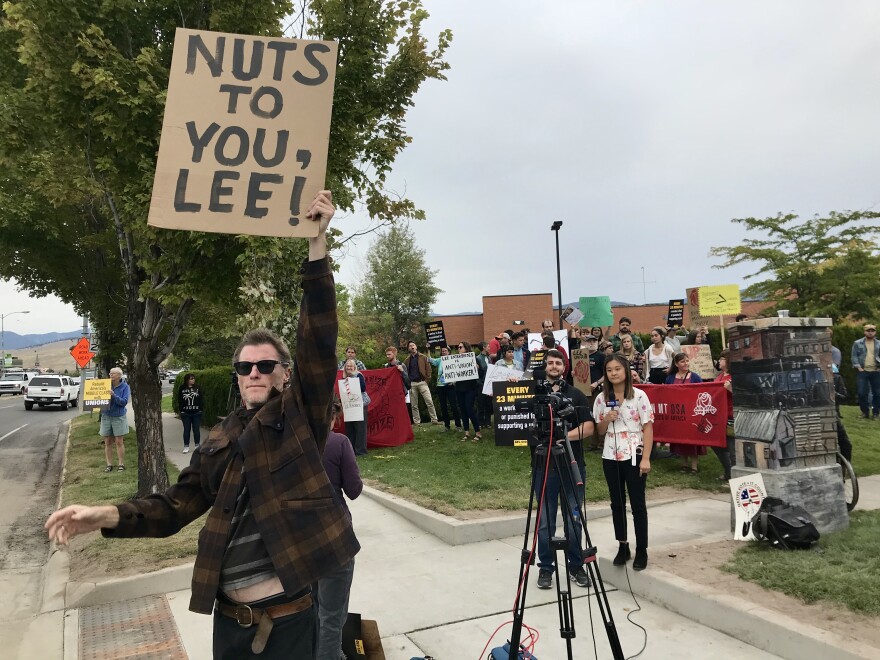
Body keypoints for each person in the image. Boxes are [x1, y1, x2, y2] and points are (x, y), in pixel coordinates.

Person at [46, 191, 359, 660]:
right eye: (244, 366)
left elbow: (318, 339)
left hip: (290, 623)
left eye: (266, 364)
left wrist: (317, 245)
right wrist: (105, 515)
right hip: (230, 625)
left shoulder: (300, 418)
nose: (254, 372)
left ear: (286, 374)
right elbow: (174, 506)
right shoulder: (221, 437)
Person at [530, 350, 595, 589]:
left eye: (558, 363)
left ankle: (576, 566)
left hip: (571, 465)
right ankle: (546, 568)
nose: (554, 366)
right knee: (545, 521)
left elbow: (588, 428)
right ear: (545, 366)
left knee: (573, 519)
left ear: (564, 367)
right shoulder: (535, 393)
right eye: (550, 363)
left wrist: (562, 437)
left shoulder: (576, 394)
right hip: (543, 466)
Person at [593, 354, 654, 571]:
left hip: (634, 453)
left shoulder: (639, 396)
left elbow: (648, 427)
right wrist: (606, 419)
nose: (614, 373)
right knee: (617, 503)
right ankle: (623, 544)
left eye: (617, 369)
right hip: (611, 454)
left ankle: (642, 550)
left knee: (637, 503)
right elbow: (598, 431)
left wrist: (646, 457)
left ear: (626, 370)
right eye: (609, 370)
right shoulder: (601, 398)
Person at [315, 399, 363, 660]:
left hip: (297, 539)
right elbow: (354, 490)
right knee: (332, 615)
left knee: (310, 608)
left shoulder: (291, 444)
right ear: (334, 418)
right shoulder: (339, 443)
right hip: (335, 537)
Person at [665, 353, 706, 474]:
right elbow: (666, 394)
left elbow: (701, 393)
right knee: (680, 438)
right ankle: (683, 464)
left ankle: (694, 466)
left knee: (693, 439)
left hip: (692, 413)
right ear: (676, 364)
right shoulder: (670, 378)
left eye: (687, 361)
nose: (686, 363)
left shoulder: (695, 377)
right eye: (683, 361)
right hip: (677, 413)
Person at [100, 367, 130, 472]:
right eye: (110, 373)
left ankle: (121, 464)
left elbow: (124, 402)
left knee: (118, 441)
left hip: (118, 416)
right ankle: (109, 464)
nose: (111, 375)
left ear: (119, 375)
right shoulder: (105, 384)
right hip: (106, 416)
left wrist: (114, 395)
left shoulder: (125, 387)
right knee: (107, 441)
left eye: (113, 373)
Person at [712, 350, 735, 481]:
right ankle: (728, 470)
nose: (719, 361)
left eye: (722, 359)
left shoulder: (735, 377)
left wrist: (731, 389)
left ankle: (734, 475)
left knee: (732, 447)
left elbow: (745, 397)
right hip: (718, 417)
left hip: (731, 417)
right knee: (716, 444)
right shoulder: (720, 376)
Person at [404, 340, 439, 425]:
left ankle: (434, 420)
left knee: (429, 401)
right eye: (410, 346)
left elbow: (429, 369)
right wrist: (408, 383)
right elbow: (405, 373)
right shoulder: (407, 360)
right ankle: (417, 422)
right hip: (412, 384)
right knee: (414, 405)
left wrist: (427, 380)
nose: (412, 347)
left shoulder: (423, 357)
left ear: (416, 347)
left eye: (413, 345)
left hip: (422, 382)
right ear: (408, 348)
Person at [428, 345, 461, 432]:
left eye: (445, 351)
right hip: (440, 386)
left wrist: (454, 382)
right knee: (443, 407)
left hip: (450, 386)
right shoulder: (439, 360)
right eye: (442, 351)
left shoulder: (453, 360)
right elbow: (430, 360)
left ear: (449, 352)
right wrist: (428, 349)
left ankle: (458, 425)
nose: (443, 352)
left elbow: (458, 372)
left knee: (454, 406)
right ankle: (447, 426)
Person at [454, 341, 482, 441]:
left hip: (470, 387)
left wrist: (477, 368)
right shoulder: (455, 360)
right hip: (459, 388)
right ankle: (466, 432)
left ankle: (478, 432)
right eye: (458, 347)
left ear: (466, 348)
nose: (458, 349)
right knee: (463, 410)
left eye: (460, 347)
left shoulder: (473, 358)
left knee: (469, 409)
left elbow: (481, 372)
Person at [852, 323, 880, 420]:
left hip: (876, 371)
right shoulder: (857, 343)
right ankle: (864, 412)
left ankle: (876, 413)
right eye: (868, 331)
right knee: (861, 392)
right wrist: (858, 367)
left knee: (877, 393)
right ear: (864, 332)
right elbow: (854, 356)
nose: (870, 333)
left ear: (875, 332)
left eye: (872, 331)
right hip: (863, 370)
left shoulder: (879, 343)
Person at [342, 359, 369, 456]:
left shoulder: (358, 375)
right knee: (350, 428)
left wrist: (352, 382)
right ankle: (351, 450)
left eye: (351, 366)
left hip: (360, 405)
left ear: (354, 367)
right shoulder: (344, 378)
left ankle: (360, 450)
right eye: (347, 366)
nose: (349, 368)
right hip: (350, 406)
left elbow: (363, 388)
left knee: (360, 428)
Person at [384, 346, 412, 423]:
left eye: (389, 354)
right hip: (391, 394)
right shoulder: (386, 366)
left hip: (401, 393)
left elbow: (408, 382)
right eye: (387, 354)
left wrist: (402, 371)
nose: (387, 356)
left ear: (394, 354)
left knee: (402, 413)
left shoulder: (401, 365)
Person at [177, 373, 203, 454]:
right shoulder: (182, 388)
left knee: (196, 430)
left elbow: (201, 399)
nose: (193, 380)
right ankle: (186, 446)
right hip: (186, 413)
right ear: (187, 380)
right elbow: (180, 400)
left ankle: (197, 446)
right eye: (191, 379)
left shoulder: (198, 388)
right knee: (186, 430)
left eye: (193, 378)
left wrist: (200, 409)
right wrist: (181, 410)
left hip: (196, 413)